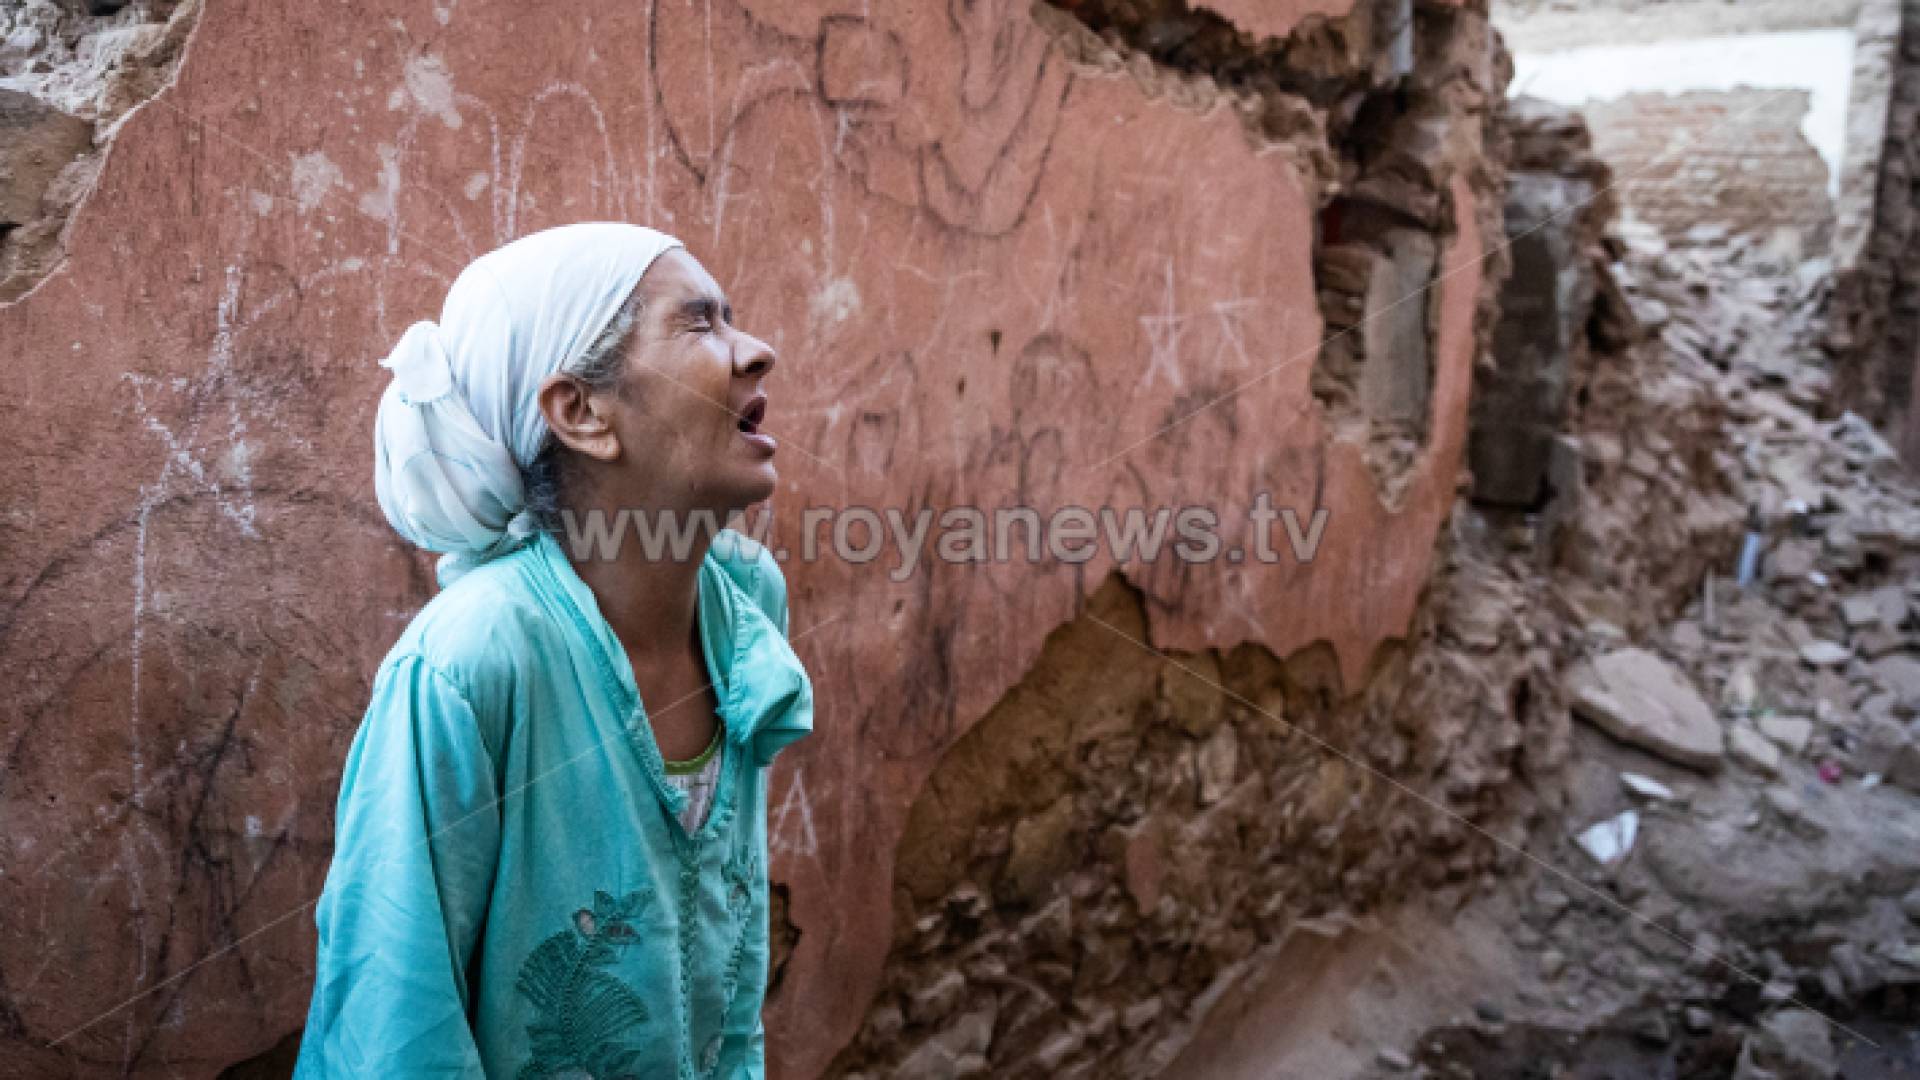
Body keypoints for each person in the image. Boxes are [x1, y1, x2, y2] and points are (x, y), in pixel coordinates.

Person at [294, 223, 813, 1079]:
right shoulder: (470, 664)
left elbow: (733, 969)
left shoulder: (744, 605)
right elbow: (395, 1030)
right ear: (581, 413)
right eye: (700, 325)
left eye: (733, 319)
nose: (756, 352)